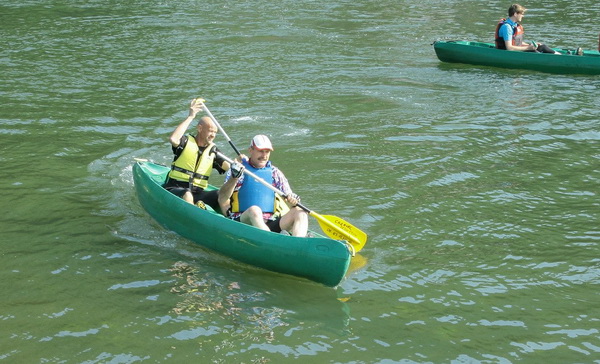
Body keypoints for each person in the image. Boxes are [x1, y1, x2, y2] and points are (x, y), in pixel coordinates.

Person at [218, 135, 309, 237]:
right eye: (261, 151)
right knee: (255, 210)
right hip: (244, 221)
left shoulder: (275, 173)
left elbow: (289, 196)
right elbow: (222, 197)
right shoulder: (238, 169)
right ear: (250, 150)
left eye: (267, 152)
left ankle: (297, 243)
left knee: (300, 212)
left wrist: (293, 200)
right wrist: (234, 178)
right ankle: (272, 241)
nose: (264, 155)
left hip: (270, 223)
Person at [163, 98, 230, 209]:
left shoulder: (213, 151)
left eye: (215, 132)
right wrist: (191, 116)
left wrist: (239, 166)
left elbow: (230, 168)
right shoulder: (185, 142)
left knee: (221, 194)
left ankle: (232, 218)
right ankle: (194, 214)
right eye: (210, 131)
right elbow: (173, 139)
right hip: (176, 188)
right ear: (200, 128)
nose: (213, 135)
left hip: (198, 193)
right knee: (187, 194)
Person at [494, 4, 561, 54]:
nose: (523, 16)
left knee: (542, 47)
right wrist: (528, 48)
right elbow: (509, 48)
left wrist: (529, 45)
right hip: (509, 53)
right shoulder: (507, 27)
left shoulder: (514, 25)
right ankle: (560, 57)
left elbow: (516, 42)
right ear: (515, 14)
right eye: (521, 14)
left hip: (515, 51)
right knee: (536, 51)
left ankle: (560, 55)